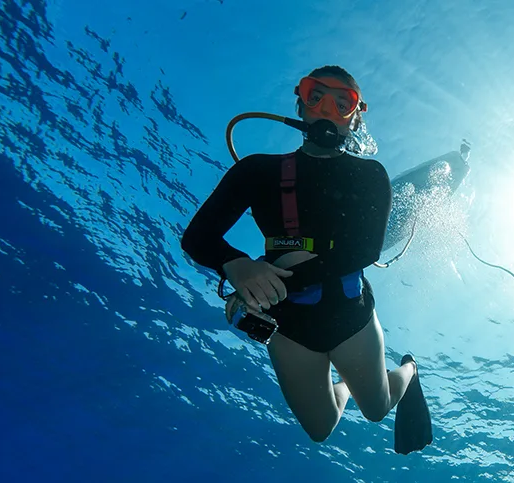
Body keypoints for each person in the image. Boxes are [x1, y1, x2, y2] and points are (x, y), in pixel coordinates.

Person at [181, 65, 432, 454]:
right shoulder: (256, 170)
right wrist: (237, 263)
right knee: (320, 429)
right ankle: (344, 383)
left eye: (342, 102)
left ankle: (410, 369)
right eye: (316, 95)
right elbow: (197, 238)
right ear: (300, 104)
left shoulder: (369, 174)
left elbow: (364, 251)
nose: (327, 108)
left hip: (350, 316)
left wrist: (269, 285)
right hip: (290, 326)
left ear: (356, 116)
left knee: (377, 410)